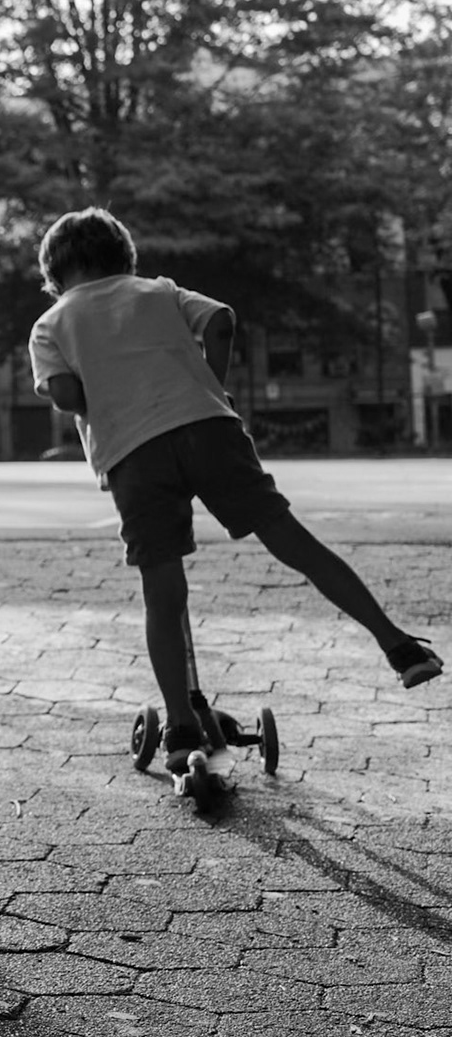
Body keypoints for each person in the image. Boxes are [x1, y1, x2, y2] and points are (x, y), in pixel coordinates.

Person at [27, 208, 440, 772]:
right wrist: (209, 385)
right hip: (208, 429)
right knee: (290, 539)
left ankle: (180, 727)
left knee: (163, 591)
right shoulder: (159, 290)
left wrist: (99, 389)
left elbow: (66, 396)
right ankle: (399, 646)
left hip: (134, 454)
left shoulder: (50, 325)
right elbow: (220, 321)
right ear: (124, 256)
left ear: (53, 271)